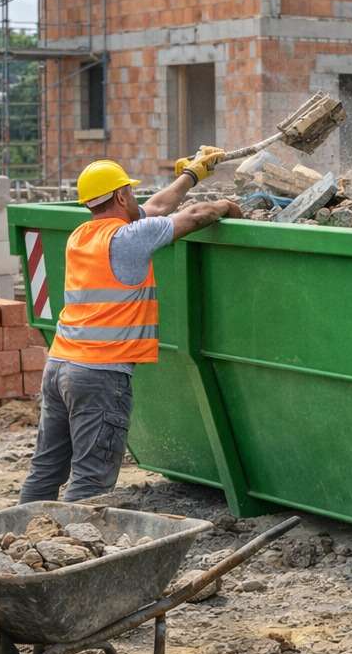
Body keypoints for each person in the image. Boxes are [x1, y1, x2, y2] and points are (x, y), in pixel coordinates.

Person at [19, 150, 240, 503]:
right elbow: (197, 215)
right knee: (91, 480)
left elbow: (152, 210)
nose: (135, 197)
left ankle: (22, 539)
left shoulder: (83, 235)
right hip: (99, 376)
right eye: (130, 191)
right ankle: (72, 553)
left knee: (46, 468)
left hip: (59, 365)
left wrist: (192, 176)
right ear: (121, 196)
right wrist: (228, 206)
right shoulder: (128, 240)